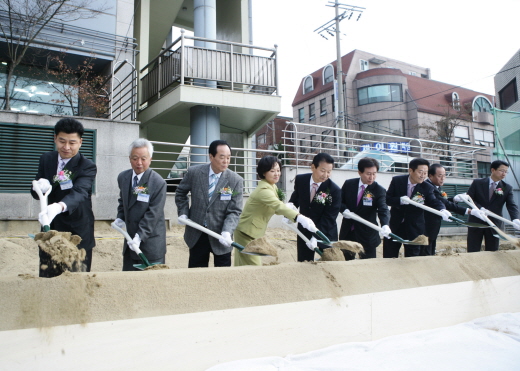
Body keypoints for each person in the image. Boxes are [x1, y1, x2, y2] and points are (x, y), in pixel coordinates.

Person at [31, 118, 97, 277]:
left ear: (80, 142)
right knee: (48, 274)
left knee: (75, 278)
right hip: (51, 228)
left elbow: (80, 192)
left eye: (72, 143)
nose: (66, 147)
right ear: (55, 139)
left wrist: (58, 206)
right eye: (62, 141)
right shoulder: (46, 159)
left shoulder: (87, 166)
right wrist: (39, 186)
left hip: (77, 229)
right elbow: (36, 193)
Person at [234, 156, 317, 266]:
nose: (276, 174)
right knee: (253, 266)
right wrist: (299, 217)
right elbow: (278, 206)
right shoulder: (264, 190)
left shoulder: (272, 187)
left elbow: (276, 208)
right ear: (264, 172)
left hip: (253, 232)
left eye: (278, 170)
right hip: (246, 233)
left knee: (243, 265)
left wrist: (288, 207)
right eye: (272, 171)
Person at [175, 140, 244, 268]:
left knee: (222, 276)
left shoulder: (236, 180)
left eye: (229, 157)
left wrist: (227, 231)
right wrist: (183, 213)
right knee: (197, 274)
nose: (226, 161)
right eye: (222, 157)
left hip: (221, 235)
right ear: (211, 156)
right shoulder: (195, 173)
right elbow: (180, 193)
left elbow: (235, 210)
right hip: (197, 233)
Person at [114, 139, 167, 271]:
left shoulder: (158, 182)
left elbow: (153, 214)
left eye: (143, 158)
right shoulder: (123, 177)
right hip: (130, 242)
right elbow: (123, 201)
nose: (139, 163)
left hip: (151, 244)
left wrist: (139, 237)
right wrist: (120, 217)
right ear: (129, 158)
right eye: (135, 158)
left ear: (150, 159)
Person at [383, 158, 450, 258]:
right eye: (420, 172)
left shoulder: (427, 187)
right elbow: (387, 199)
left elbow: (433, 201)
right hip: (395, 224)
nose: (423, 175)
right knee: (389, 255)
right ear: (411, 170)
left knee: (413, 257)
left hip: (414, 228)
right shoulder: (397, 181)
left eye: (426, 172)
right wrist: (399, 200)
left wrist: (442, 209)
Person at [288, 153, 342, 262]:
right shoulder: (301, 180)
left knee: (327, 264)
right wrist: (289, 211)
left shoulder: (334, 190)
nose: (326, 175)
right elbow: (295, 199)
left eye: (329, 172)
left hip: (324, 232)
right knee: (304, 262)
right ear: (313, 167)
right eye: (323, 170)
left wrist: (316, 236)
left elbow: (330, 217)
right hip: (304, 230)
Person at [424, 164, 486, 256]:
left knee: (430, 249)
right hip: (426, 225)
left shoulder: (435, 186)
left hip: (433, 225)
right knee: (426, 251)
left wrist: (454, 199)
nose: (443, 178)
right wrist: (470, 211)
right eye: (439, 176)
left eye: (444, 175)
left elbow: (442, 201)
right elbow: (443, 203)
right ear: (430, 176)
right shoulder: (428, 187)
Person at [460, 160, 520, 253]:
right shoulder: (477, 183)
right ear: (493, 170)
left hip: (494, 224)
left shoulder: (507, 188)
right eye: (502, 171)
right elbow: (469, 199)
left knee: (493, 251)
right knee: (473, 249)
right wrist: (480, 208)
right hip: (476, 221)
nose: (504, 174)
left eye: (506, 171)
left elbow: (511, 205)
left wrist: (515, 219)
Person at [339, 157, 391, 259]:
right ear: (360, 172)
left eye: (374, 173)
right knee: (346, 262)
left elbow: (383, 209)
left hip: (367, 234)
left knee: (368, 264)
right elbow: (339, 201)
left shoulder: (378, 190)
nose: (371, 177)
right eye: (368, 174)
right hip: (348, 231)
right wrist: (344, 210)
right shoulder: (349, 184)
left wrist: (385, 224)